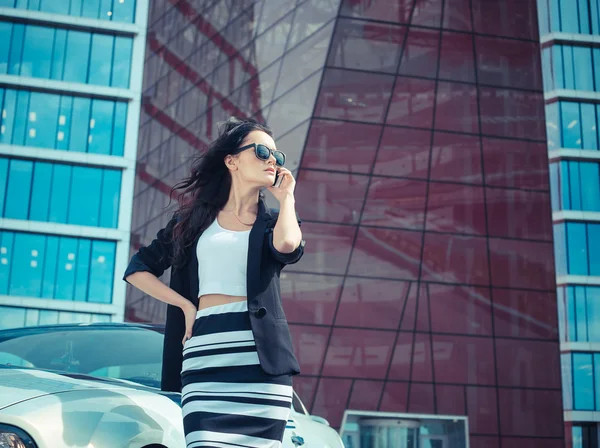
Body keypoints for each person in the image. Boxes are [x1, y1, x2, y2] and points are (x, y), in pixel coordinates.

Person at [123, 117, 305, 448]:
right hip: (205, 358)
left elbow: (288, 246)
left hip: (260, 368)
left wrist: (287, 198)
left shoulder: (273, 223)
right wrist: (184, 305)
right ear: (231, 160)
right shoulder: (190, 222)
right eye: (262, 151)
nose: (272, 161)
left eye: (277, 157)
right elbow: (138, 269)